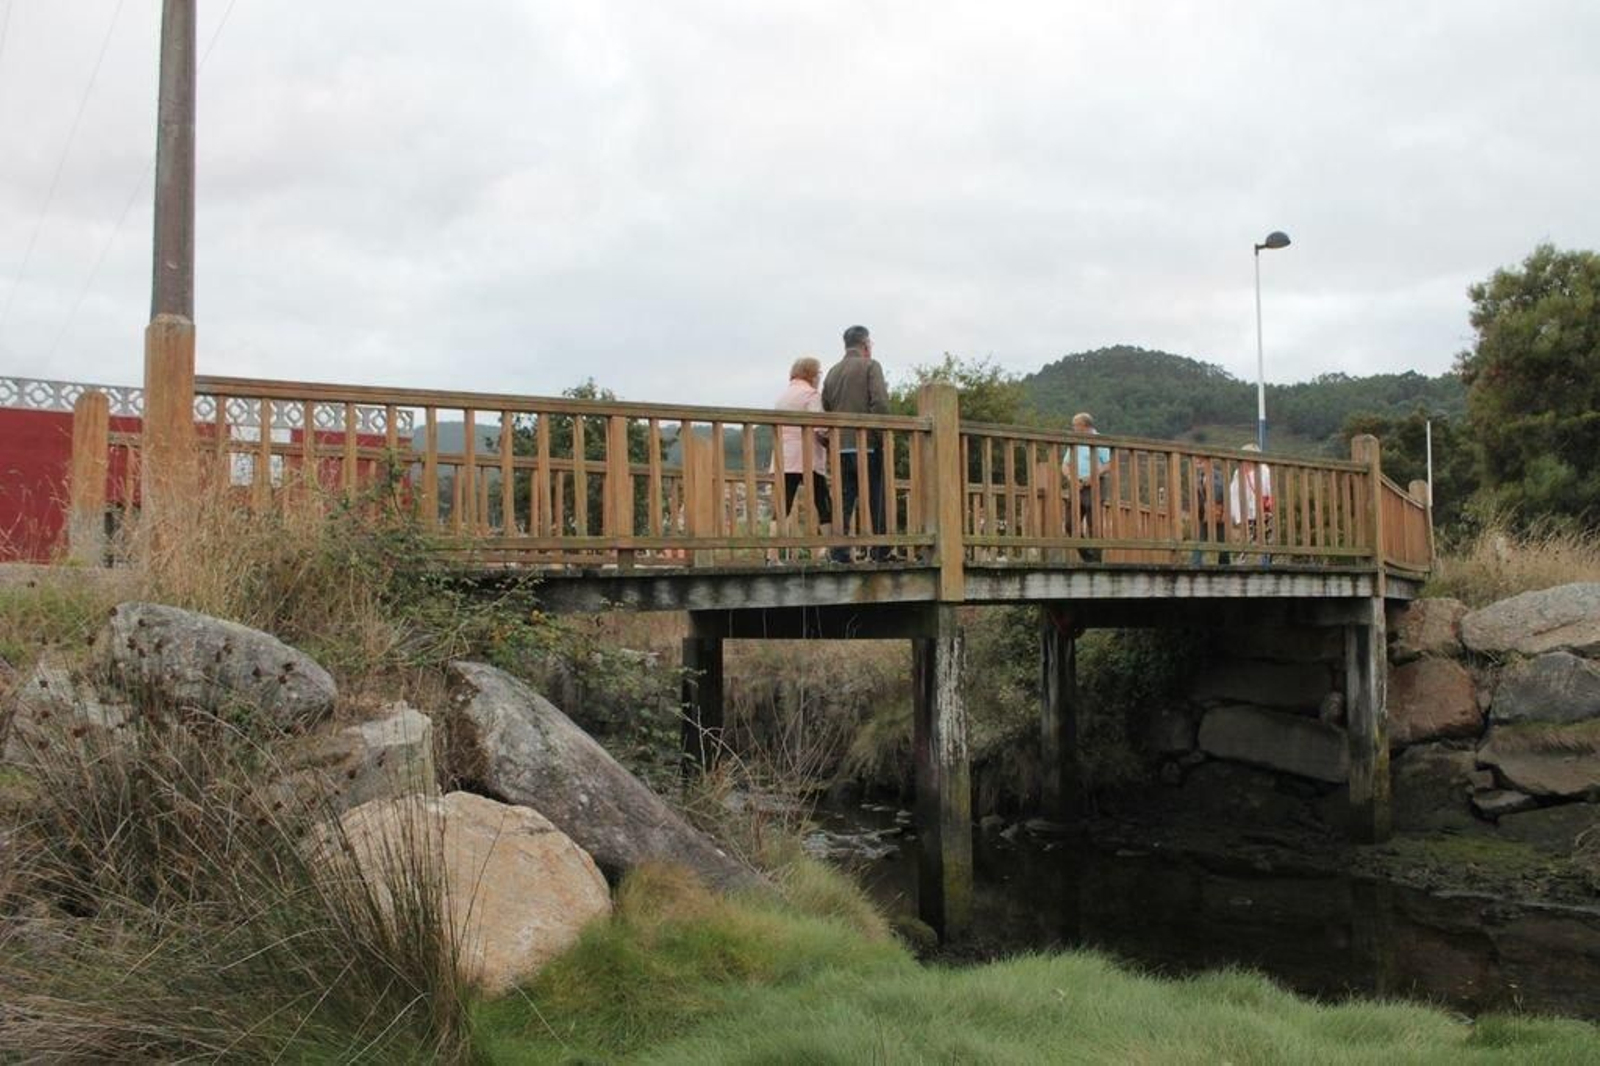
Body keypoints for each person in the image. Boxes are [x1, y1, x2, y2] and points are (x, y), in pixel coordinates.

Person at [821, 325, 889, 562]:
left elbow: (826, 406)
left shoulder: (832, 372)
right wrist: (879, 436)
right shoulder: (871, 365)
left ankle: (839, 551)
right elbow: (879, 402)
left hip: (840, 446)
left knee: (843, 499)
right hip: (867, 443)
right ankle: (880, 550)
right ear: (866, 344)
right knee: (876, 497)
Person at [772, 356, 833, 549]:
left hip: (784, 457)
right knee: (823, 503)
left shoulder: (783, 396)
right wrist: (831, 439)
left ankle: (771, 554)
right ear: (812, 374)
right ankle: (831, 549)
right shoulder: (811, 395)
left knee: (782, 506)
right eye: (819, 372)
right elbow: (820, 427)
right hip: (807, 457)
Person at [1061, 412, 1112, 563]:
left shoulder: (1099, 440)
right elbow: (1065, 465)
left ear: (1085, 426)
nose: (1073, 428)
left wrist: (1094, 475)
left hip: (1094, 485)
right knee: (1070, 524)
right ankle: (1088, 557)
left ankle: (1096, 561)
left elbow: (1109, 463)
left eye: (1075, 425)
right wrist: (1070, 477)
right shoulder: (1075, 442)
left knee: (1093, 525)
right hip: (1076, 486)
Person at [1229, 442, 1273, 567]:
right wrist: (1238, 517)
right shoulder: (1239, 473)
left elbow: (1270, 489)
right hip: (1248, 515)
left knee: (1265, 542)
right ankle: (1248, 565)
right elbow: (1234, 495)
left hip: (1263, 513)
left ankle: (1265, 565)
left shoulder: (1264, 470)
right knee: (1249, 543)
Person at [1191, 454, 1230, 565]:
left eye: (1200, 462)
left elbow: (1220, 493)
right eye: (1198, 463)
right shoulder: (1199, 476)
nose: (1198, 465)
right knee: (1200, 538)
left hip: (1218, 510)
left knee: (1221, 538)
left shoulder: (1217, 475)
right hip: (1204, 512)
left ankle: (1224, 563)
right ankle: (1196, 562)